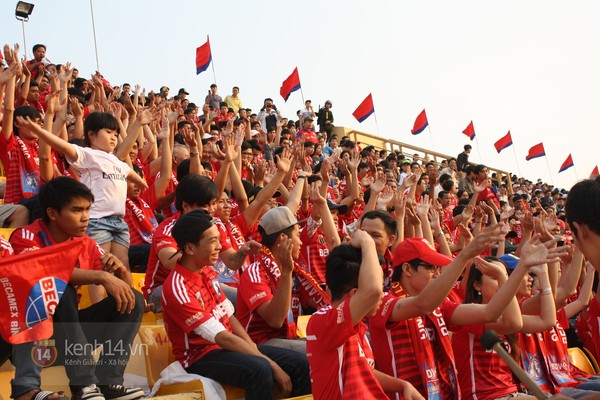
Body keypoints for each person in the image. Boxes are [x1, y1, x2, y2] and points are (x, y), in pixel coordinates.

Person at [8, 177, 144, 400]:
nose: (85, 217)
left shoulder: (86, 243)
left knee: (135, 300)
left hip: (70, 340)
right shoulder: (26, 236)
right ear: (52, 213)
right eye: (77, 210)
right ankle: (84, 386)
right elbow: (38, 272)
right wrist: (101, 276)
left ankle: (108, 383)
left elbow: (124, 293)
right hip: (32, 343)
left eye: (88, 209)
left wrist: (121, 273)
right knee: (58, 288)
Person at [161, 210, 311, 400]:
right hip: (199, 357)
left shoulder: (207, 271)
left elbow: (229, 319)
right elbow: (223, 337)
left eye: (219, 239)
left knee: (301, 363)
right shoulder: (177, 287)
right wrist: (270, 363)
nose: (220, 247)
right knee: (260, 369)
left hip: (224, 347)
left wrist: (255, 351)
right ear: (190, 248)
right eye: (212, 241)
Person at [17, 112, 148, 269]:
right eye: (108, 132)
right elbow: (61, 145)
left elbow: (131, 174)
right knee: (100, 264)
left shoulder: (117, 161)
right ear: (91, 135)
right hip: (98, 220)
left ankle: (129, 294)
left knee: (122, 264)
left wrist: (142, 182)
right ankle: (99, 294)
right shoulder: (88, 155)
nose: (114, 137)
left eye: (116, 134)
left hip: (119, 221)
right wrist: (39, 131)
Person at [306, 230, 424, 400]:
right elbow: (373, 291)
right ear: (355, 295)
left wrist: (402, 385)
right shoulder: (323, 320)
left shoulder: (356, 324)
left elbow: (365, 372)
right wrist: (367, 242)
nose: (382, 296)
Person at [237, 206, 329, 352]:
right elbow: (275, 320)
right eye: (297, 236)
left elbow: (323, 303)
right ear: (283, 239)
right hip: (259, 345)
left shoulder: (295, 271)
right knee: (317, 352)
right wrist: (286, 273)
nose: (300, 242)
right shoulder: (254, 273)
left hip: (289, 337)